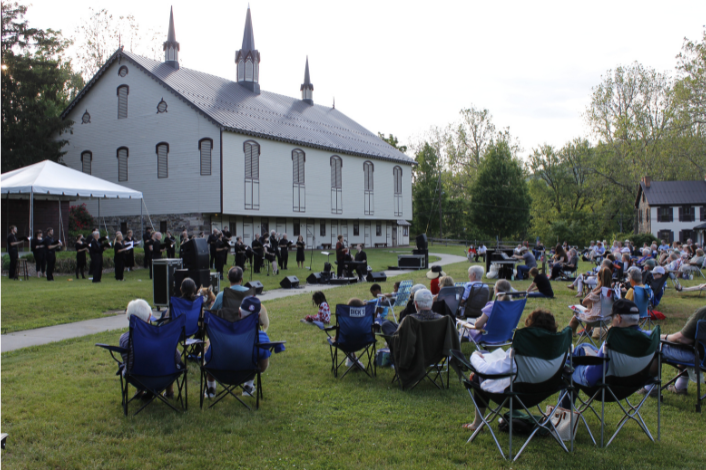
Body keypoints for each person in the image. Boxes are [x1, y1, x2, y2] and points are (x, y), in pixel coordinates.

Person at [462, 309, 558, 431]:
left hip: (514, 395)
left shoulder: (520, 351)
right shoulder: (557, 351)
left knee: (478, 372)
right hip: (542, 391)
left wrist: (474, 356)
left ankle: (477, 424)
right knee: (485, 354)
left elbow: (485, 370)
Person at [562, 299, 646, 404]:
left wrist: (592, 361)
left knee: (570, 368)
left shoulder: (613, 341)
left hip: (605, 386)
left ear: (619, 318)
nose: (612, 321)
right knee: (583, 347)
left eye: (612, 318)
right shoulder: (648, 339)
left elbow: (591, 376)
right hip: (631, 384)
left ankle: (563, 412)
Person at [204, 296, 272, 398]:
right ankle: (248, 386)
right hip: (246, 374)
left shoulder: (219, 336)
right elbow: (263, 367)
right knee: (258, 357)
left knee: (209, 344)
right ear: (259, 316)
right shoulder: (262, 339)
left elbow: (208, 359)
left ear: (239, 313)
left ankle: (211, 388)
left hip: (219, 373)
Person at [119, 299, 182, 399]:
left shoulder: (125, 339)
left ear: (128, 318)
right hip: (165, 377)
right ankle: (169, 391)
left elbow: (128, 360)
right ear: (149, 316)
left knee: (132, 362)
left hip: (137, 378)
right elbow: (178, 358)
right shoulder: (164, 337)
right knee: (169, 360)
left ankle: (140, 391)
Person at [567, 267, 614, 335]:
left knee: (576, 311)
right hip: (607, 318)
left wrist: (595, 289)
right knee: (590, 309)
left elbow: (584, 302)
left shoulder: (599, 292)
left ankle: (570, 332)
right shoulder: (613, 292)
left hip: (596, 319)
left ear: (599, 279)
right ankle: (587, 330)